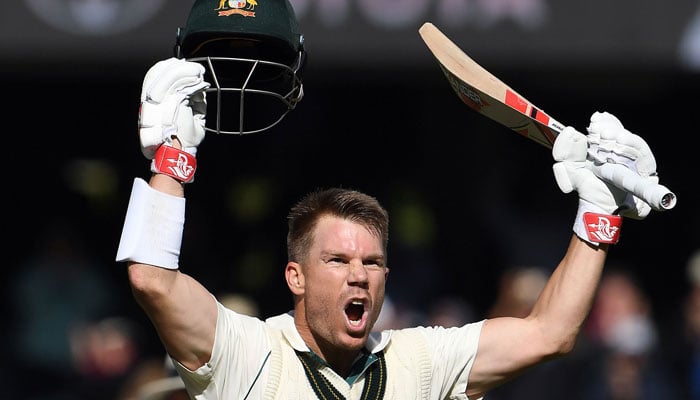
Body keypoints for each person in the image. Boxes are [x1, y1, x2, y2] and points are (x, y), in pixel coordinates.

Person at [116, 0, 671, 398]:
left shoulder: (419, 363)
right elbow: (151, 280)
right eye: (337, 260)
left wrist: (598, 213)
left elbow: (550, 333)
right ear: (295, 277)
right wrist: (171, 162)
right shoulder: (246, 354)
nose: (359, 275)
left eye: (372, 262)